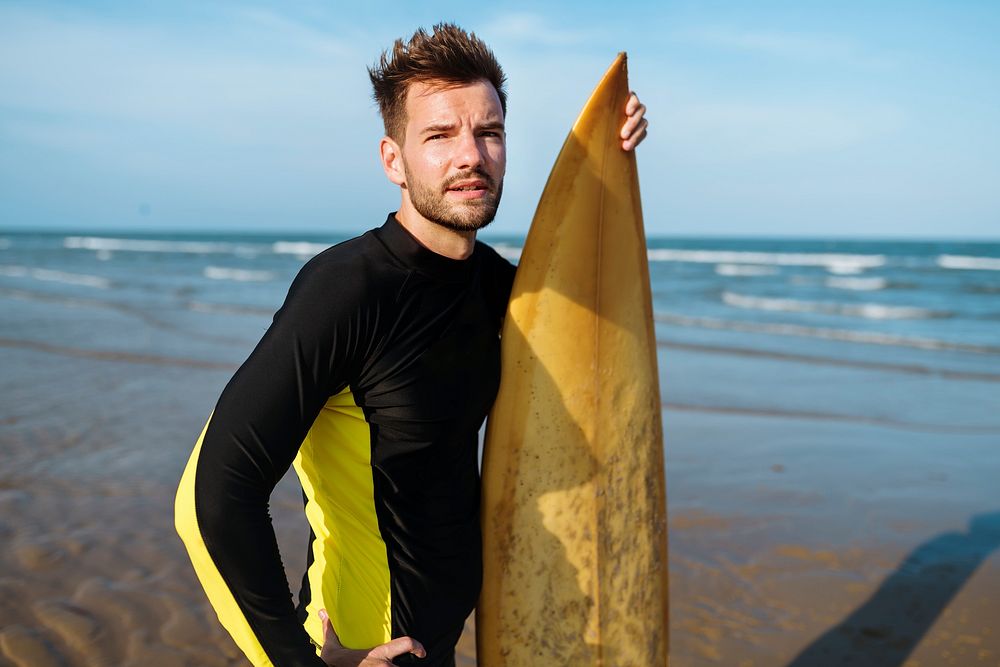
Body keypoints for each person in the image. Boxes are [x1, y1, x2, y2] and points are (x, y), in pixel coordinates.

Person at [175, 23, 648, 667]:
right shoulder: (346, 291)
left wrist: (612, 168)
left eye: (489, 132)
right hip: (367, 648)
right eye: (440, 135)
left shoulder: (498, 291)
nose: (470, 156)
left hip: (452, 640)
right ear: (392, 159)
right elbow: (213, 495)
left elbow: (598, 325)